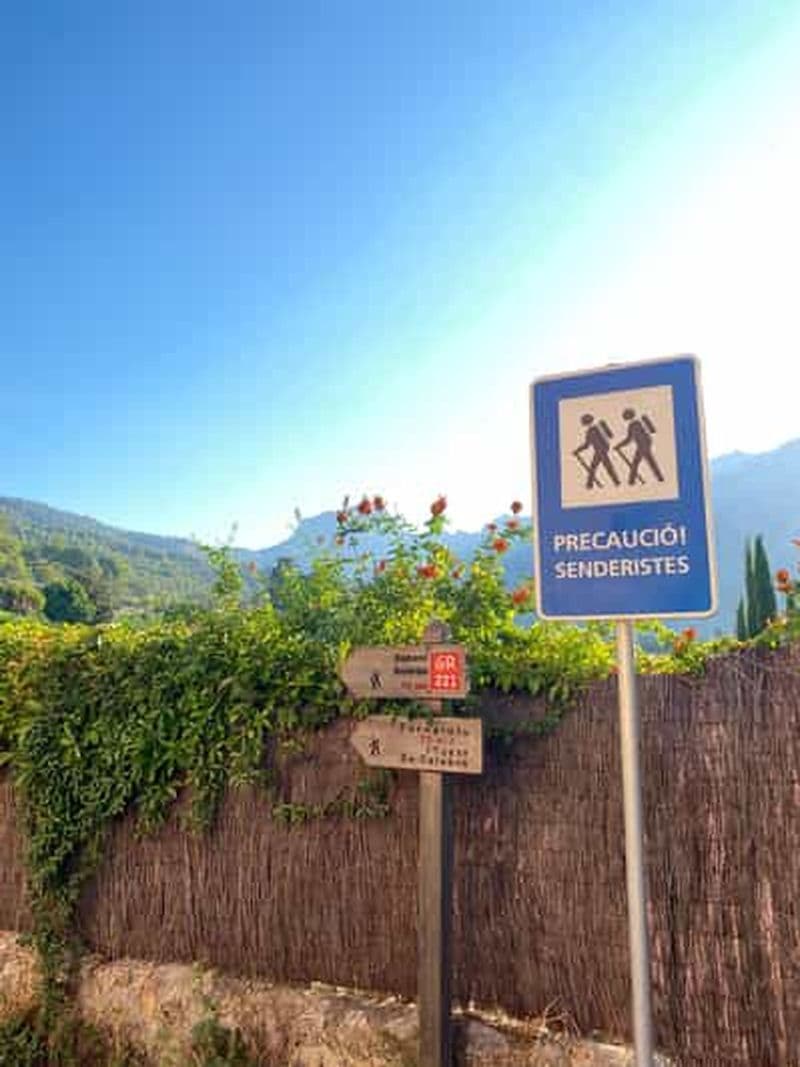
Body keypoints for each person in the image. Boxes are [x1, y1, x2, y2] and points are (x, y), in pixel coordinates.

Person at [615, 409, 664, 485]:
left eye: (625, 417)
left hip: (642, 445)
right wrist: (619, 446)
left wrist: (619, 446)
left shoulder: (634, 425)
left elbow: (629, 439)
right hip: (644, 445)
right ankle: (660, 478)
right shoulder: (635, 423)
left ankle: (631, 482)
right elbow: (629, 438)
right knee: (650, 462)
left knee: (636, 463)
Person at [573, 414, 620, 489]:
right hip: (603, 450)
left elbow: (586, 445)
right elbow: (611, 436)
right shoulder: (599, 427)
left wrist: (577, 451)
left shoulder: (590, 431)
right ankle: (616, 482)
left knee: (595, 467)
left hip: (600, 451)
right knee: (604, 467)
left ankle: (589, 485)